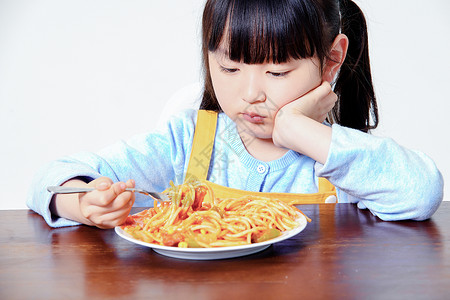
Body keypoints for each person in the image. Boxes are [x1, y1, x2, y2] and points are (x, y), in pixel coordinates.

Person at [27, 0, 443, 229]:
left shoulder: (338, 159)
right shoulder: (188, 140)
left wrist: (297, 129)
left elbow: (422, 192)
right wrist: (83, 202)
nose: (249, 94)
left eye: (277, 71)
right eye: (228, 68)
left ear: (332, 59)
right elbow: (52, 177)